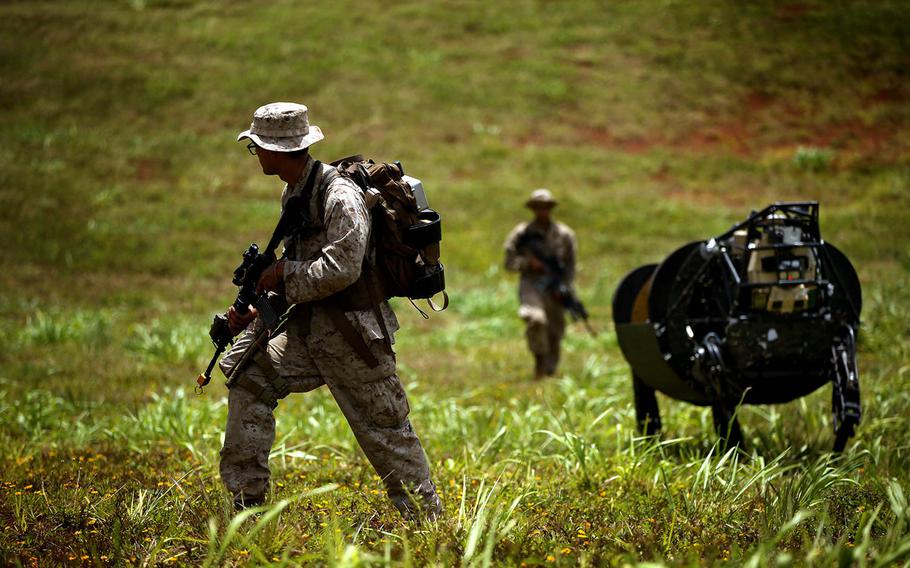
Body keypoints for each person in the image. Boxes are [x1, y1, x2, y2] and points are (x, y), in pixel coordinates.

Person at [218, 102, 441, 519]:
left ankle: (429, 523)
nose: (256, 155)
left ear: (278, 150)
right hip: (310, 332)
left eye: (257, 147)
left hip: (354, 338)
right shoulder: (295, 193)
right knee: (247, 379)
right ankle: (245, 508)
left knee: (386, 431)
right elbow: (300, 269)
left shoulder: (340, 197)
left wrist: (284, 272)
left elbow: (342, 269)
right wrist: (260, 307)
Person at [503, 189, 578, 379]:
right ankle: (539, 363)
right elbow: (509, 263)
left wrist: (566, 287)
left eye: (545, 207)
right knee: (536, 320)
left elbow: (570, 265)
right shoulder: (522, 234)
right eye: (538, 207)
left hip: (555, 286)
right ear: (533, 209)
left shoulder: (565, 234)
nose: (541, 211)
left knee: (555, 330)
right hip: (531, 284)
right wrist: (529, 263)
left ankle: (550, 368)